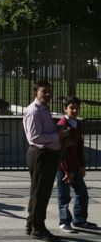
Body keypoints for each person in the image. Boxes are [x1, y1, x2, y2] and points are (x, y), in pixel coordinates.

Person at [23, 80, 66, 241]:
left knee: (38, 192)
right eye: (44, 91)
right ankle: (38, 228)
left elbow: (44, 131)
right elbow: (35, 137)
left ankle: (31, 223)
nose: (48, 94)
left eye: (50, 91)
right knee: (40, 193)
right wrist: (58, 135)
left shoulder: (43, 109)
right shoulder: (34, 111)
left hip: (46, 154)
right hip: (41, 154)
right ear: (36, 93)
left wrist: (56, 129)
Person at [55, 96, 97, 233]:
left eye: (77, 108)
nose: (74, 110)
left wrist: (82, 165)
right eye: (71, 108)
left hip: (75, 166)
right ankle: (64, 221)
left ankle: (79, 220)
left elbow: (79, 147)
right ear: (65, 109)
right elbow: (62, 151)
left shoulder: (77, 124)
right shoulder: (62, 125)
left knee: (82, 194)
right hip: (64, 168)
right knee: (64, 196)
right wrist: (67, 170)